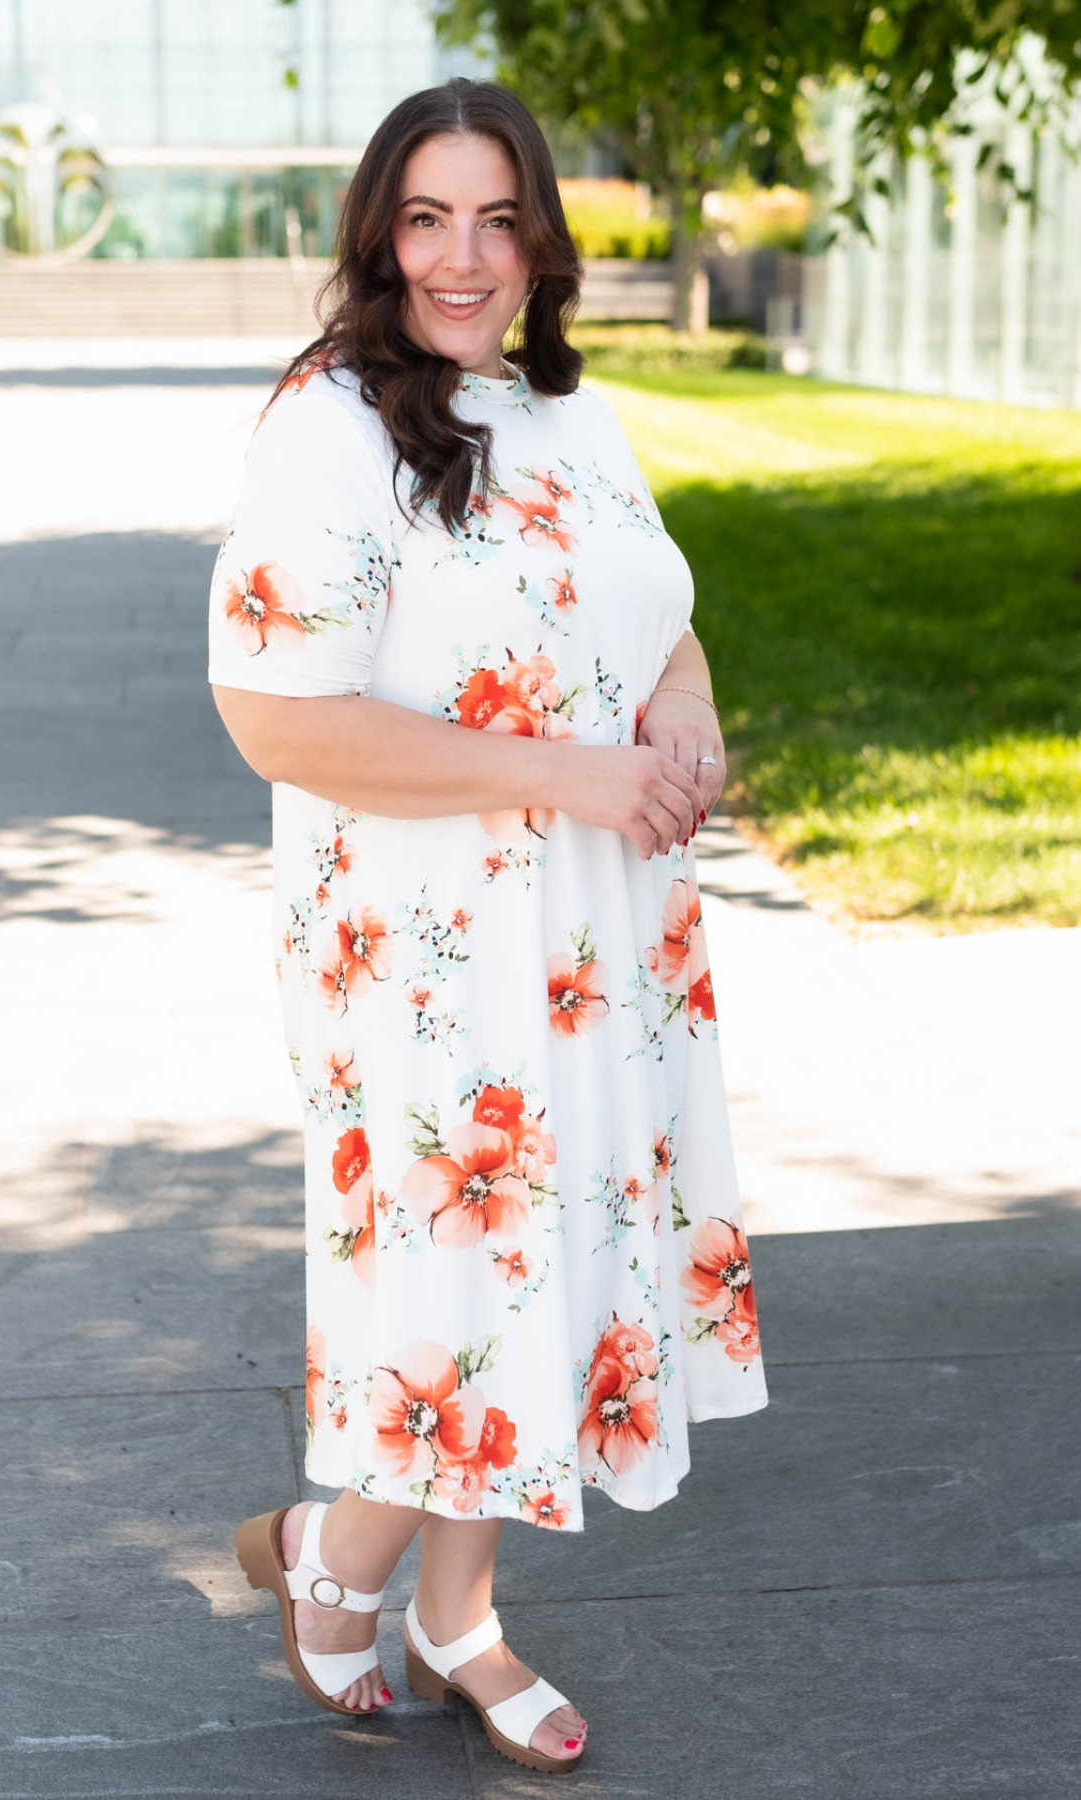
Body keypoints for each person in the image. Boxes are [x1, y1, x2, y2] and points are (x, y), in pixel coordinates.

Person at [213, 76, 769, 1775]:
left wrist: (682, 724)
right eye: (427, 216)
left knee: (557, 1263)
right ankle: (341, 1558)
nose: (463, 257)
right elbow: (273, 715)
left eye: (498, 216)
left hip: (598, 927)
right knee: (463, 1273)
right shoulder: (331, 423)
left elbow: (655, 619)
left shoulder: (564, 415)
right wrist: (568, 775)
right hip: (429, 944)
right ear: (380, 232)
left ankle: (456, 1616)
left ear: (542, 236)